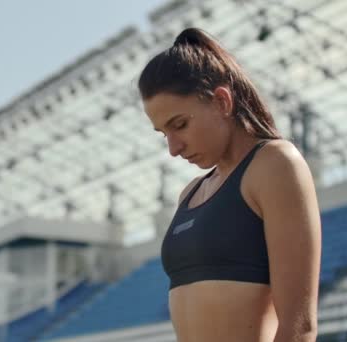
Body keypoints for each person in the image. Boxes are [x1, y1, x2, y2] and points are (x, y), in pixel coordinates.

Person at [138, 28, 322, 342]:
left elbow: (299, 328)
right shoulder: (190, 194)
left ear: (222, 101)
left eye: (180, 125)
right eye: (163, 133)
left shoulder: (275, 165)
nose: (173, 148)